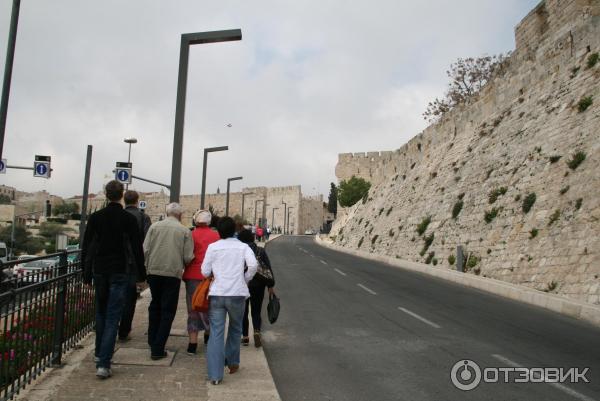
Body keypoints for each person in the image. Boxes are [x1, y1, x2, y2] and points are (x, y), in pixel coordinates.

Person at [82, 180, 145, 379]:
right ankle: (103, 362)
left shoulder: (96, 218)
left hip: (99, 270)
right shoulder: (128, 219)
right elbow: (136, 249)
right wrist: (141, 275)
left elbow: (87, 247)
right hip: (120, 271)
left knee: (100, 312)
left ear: (105, 193)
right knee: (112, 316)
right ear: (121, 194)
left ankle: (100, 353)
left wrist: (85, 273)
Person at [201, 217, 257, 385]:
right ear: (235, 230)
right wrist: (244, 279)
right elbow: (253, 266)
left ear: (218, 231)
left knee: (216, 333)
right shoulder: (243, 247)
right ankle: (232, 363)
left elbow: (204, 272)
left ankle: (215, 375)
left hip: (217, 293)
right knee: (235, 328)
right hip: (237, 294)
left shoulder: (213, 247)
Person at [143, 202, 194, 360]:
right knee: (168, 310)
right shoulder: (184, 231)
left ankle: (152, 340)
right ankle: (158, 348)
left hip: (154, 271)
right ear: (180, 214)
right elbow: (187, 257)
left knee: (155, 305)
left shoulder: (154, 227)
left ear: (166, 213)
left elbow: (145, 249)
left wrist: (147, 266)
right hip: (172, 273)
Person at [182, 209, 220, 355]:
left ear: (195, 221)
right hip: (210, 277)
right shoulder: (216, 236)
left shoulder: (190, 235)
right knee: (209, 307)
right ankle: (208, 335)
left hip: (192, 275)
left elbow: (186, 255)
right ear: (209, 221)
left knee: (193, 308)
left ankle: (192, 344)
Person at [119, 190, 152, 342]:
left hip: (115, 261)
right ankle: (124, 331)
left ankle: (111, 327)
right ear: (137, 201)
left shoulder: (118, 216)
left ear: (124, 200)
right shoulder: (143, 217)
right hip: (132, 264)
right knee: (129, 299)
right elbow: (146, 242)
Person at [238, 229, 275, 348]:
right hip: (259, 285)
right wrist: (270, 285)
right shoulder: (260, 250)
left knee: (243, 311)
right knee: (256, 310)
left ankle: (245, 337)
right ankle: (257, 331)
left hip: (243, 284)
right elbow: (268, 268)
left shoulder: (239, 251)